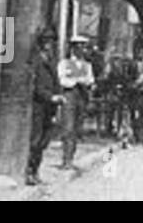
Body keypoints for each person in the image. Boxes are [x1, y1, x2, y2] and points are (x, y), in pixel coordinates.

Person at [26, 31, 61, 185]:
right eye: (47, 41)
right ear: (41, 43)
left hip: (50, 107)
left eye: (52, 41)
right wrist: (50, 96)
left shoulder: (51, 61)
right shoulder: (36, 60)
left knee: (44, 141)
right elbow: (35, 86)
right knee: (35, 140)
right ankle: (29, 172)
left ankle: (36, 171)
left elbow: (56, 82)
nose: (50, 44)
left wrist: (57, 97)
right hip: (38, 105)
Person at [57, 35, 96, 169]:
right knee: (68, 127)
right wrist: (77, 80)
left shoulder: (87, 65)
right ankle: (65, 158)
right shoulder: (64, 63)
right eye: (78, 47)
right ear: (73, 48)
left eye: (83, 47)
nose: (81, 50)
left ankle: (71, 158)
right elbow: (62, 80)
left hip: (82, 96)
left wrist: (82, 81)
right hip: (69, 95)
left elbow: (90, 80)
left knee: (76, 128)